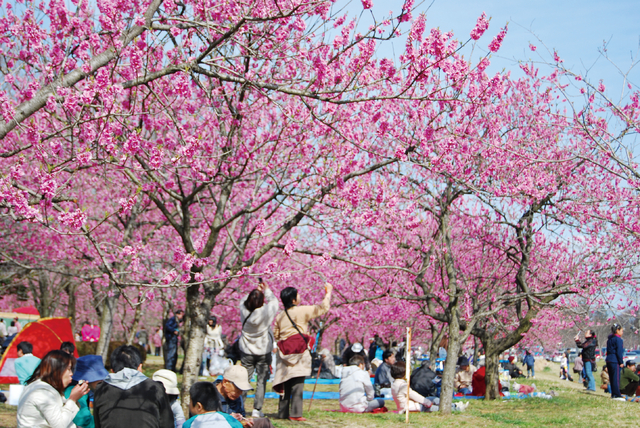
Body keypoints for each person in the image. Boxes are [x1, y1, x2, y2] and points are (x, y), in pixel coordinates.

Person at [273, 282, 332, 421]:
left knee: (285, 380)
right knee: (297, 383)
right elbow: (323, 308)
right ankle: (295, 414)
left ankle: (282, 413)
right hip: (299, 350)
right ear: (293, 300)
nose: (300, 297)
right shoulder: (302, 310)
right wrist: (328, 292)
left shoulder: (280, 316)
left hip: (284, 352)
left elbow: (276, 334)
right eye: (297, 295)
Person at [93, 345, 174, 428]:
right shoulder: (155, 388)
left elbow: (98, 424)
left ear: (112, 371)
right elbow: (167, 424)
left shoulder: (101, 390)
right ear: (140, 367)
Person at [17, 350, 90, 428]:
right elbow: (60, 425)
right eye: (68, 369)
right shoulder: (42, 393)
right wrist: (72, 399)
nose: (71, 374)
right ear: (56, 370)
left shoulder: (43, 388)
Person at [239, 279, 279, 418]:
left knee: (244, 380)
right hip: (263, 350)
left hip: (247, 351)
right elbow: (274, 302)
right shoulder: (266, 311)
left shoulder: (244, 310)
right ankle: (257, 409)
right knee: (261, 380)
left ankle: (240, 407)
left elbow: (243, 300)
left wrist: (255, 291)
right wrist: (265, 290)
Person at [390, 362, 468, 413]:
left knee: (433, 399)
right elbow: (414, 395)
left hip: (408, 406)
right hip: (412, 407)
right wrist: (426, 402)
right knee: (434, 408)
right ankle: (456, 408)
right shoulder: (402, 386)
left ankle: (454, 405)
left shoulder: (395, 384)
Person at [64, 355, 109, 428]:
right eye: (100, 379)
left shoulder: (85, 390)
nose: (102, 381)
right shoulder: (77, 391)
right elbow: (83, 420)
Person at [606, 323, 625, 401]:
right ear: (617, 330)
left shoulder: (609, 339)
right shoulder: (618, 339)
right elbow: (619, 352)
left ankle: (613, 394)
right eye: (621, 331)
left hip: (609, 359)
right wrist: (621, 362)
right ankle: (617, 394)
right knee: (616, 378)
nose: (622, 332)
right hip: (615, 360)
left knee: (612, 378)